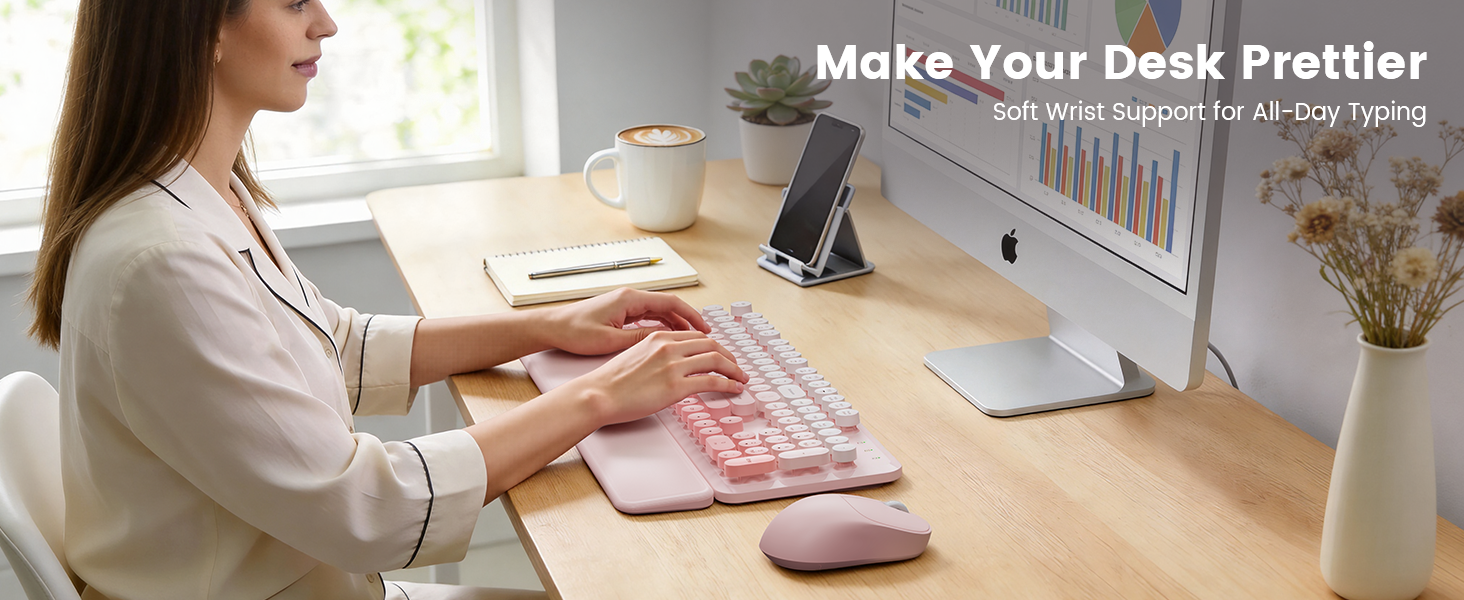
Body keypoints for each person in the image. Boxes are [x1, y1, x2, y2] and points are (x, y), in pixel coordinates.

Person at [24, 1, 746, 598]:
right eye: (295, 3)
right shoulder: (161, 260)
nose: (326, 23)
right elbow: (364, 509)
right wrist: (595, 400)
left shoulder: (203, 193)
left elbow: (334, 345)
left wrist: (549, 326)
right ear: (205, 26)